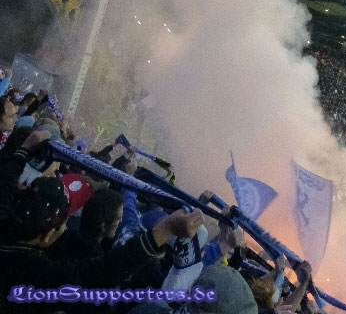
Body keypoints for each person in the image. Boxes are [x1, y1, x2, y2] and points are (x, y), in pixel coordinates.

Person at [0, 129, 206, 312]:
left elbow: (4, 186)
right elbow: (100, 272)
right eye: (63, 224)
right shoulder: (31, 275)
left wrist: (22, 150)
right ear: (47, 235)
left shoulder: (6, 225)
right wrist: (166, 229)